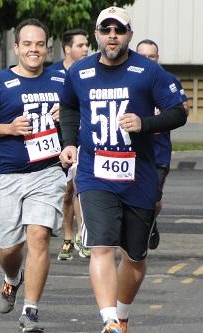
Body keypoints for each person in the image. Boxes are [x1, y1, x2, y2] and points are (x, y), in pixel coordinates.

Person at [59, 7, 187, 333]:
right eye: (106, 29)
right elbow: (70, 108)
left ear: (129, 34)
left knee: (134, 256)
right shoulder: (80, 72)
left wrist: (144, 123)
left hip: (137, 175)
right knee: (101, 246)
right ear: (97, 35)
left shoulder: (149, 72)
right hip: (95, 172)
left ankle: (123, 315)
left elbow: (178, 112)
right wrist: (70, 142)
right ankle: (109, 321)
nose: (112, 35)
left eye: (119, 29)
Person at [0, 18, 66, 332]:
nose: (34, 50)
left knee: (39, 237)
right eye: (27, 44)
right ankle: (12, 277)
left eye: (39, 44)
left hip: (48, 171)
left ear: (47, 47)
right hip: (8, 175)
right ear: (16, 47)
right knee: (10, 248)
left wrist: (65, 114)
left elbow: (79, 115)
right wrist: (8, 128)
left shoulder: (60, 82)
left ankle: (31, 311)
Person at [136, 39, 189, 250]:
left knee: (152, 199)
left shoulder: (168, 80)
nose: (148, 60)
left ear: (157, 58)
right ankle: (144, 225)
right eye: (143, 56)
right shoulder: (128, 80)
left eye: (152, 56)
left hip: (159, 153)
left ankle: (150, 221)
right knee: (137, 198)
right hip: (134, 151)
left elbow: (182, 109)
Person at [47, 28, 90, 261]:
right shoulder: (51, 74)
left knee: (77, 187)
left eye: (86, 45)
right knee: (66, 194)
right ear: (67, 49)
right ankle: (67, 237)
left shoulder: (90, 72)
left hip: (80, 139)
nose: (85, 49)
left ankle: (82, 237)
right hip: (54, 141)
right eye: (80, 45)